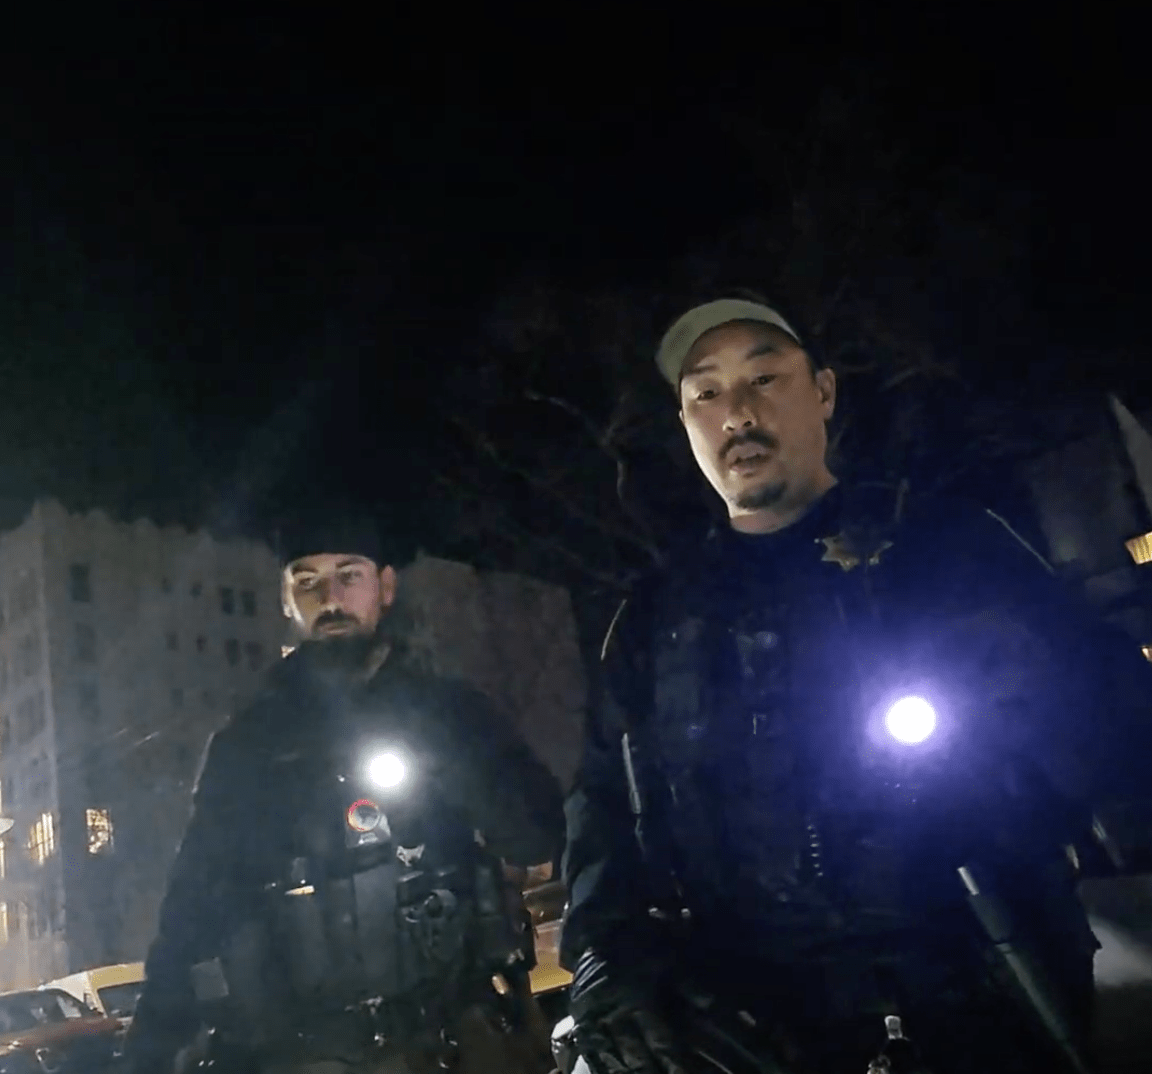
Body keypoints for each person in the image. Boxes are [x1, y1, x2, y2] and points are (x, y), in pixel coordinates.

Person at [559, 293, 1152, 1073]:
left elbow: (1118, 741)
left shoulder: (946, 548)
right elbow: (601, 802)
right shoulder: (655, 614)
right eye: (706, 393)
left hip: (977, 988)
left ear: (825, 392)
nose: (736, 412)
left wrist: (1040, 676)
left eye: (764, 378)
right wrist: (606, 957)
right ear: (686, 426)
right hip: (755, 1026)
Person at [126, 510, 564, 1074]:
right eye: (306, 581)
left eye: (348, 575)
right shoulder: (247, 746)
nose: (328, 597)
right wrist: (150, 1044)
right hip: (302, 1049)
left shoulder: (450, 712)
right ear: (286, 602)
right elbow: (192, 903)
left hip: (450, 1038)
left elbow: (535, 832)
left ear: (384, 587)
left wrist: (446, 756)